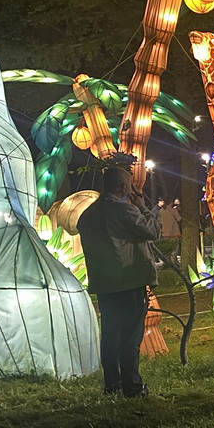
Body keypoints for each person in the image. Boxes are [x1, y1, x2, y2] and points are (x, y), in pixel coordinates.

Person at [78, 167, 161, 397]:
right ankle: (132, 386)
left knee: (110, 335)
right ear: (125, 187)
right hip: (129, 281)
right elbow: (153, 231)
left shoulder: (88, 213)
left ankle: (112, 384)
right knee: (130, 337)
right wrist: (143, 206)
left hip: (104, 284)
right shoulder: (124, 210)